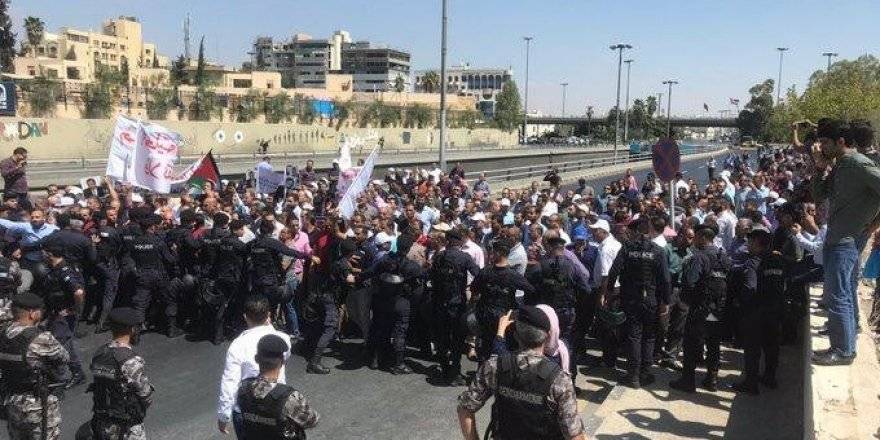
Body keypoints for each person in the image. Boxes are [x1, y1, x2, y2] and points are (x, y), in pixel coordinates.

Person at [456, 306, 586, 440]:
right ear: (547, 337)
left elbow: (465, 408)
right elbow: (575, 435)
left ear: (516, 335)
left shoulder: (495, 366)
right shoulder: (559, 379)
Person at [810, 119, 880, 365]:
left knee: (839, 294)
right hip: (836, 238)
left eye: (825, 143)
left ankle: (843, 350)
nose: (822, 147)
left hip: (846, 241)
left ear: (841, 141)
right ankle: (844, 344)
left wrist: (874, 224)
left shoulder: (860, 165)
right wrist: (819, 168)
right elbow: (819, 196)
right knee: (841, 293)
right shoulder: (840, 165)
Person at [606, 218, 671, 388]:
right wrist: (666, 301)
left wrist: (609, 292)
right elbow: (665, 279)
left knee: (634, 335)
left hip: (631, 298)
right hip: (650, 298)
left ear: (635, 232)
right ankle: (645, 373)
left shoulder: (627, 248)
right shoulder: (657, 250)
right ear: (649, 231)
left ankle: (633, 376)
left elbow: (614, 271)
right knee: (649, 336)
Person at [217, 295, 292, 438]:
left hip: (246, 409)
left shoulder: (237, 345)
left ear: (245, 317)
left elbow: (230, 382)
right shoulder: (283, 339)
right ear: (269, 315)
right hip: (275, 404)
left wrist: (223, 415)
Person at [0, 293, 70, 440]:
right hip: (37, 405)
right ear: (32, 313)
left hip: (12, 401)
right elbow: (64, 357)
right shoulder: (40, 338)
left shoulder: (4, 335)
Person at [670, 223, 731, 393]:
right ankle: (711, 379)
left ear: (703, 237)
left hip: (700, 308)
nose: (694, 240)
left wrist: (689, 299)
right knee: (713, 343)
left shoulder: (699, 257)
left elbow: (689, 282)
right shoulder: (723, 257)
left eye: (696, 236)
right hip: (717, 309)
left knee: (691, 342)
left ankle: (687, 381)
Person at [85, 307, 154, 440]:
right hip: (127, 427)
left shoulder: (99, 353)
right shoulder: (130, 360)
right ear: (132, 329)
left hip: (103, 423)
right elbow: (145, 395)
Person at [732, 227, 785, 395]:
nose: (748, 244)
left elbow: (749, 287)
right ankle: (770, 377)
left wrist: (742, 303)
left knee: (752, 349)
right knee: (771, 346)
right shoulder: (778, 260)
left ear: (756, 243)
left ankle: (751, 383)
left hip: (756, 312)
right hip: (775, 310)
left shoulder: (753, 262)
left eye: (750, 241)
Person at [235, 334, 320, 439]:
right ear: (283, 361)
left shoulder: (243, 389)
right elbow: (311, 420)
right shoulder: (288, 398)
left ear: (257, 359)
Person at [362, 234, 425, 373]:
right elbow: (423, 279)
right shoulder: (412, 266)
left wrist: (357, 277)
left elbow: (369, 272)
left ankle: (375, 360)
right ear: (408, 248)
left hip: (382, 299)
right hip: (401, 301)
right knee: (400, 332)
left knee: (380, 328)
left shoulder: (385, 260)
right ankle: (398, 364)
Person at [430, 228, 480, 385]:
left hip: (439, 302)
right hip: (457, 303)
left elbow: (431, 276)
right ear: (459, 241)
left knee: (442, 336)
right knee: (457, 338)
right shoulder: (464, 257)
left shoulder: (439, 257)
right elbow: (478, 273)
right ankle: (455, 370)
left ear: (447, 240)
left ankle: (445, 368)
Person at [471, 238, 534, 361]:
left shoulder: (486, 272)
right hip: (503, 318)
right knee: (502, 349)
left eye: (493, 252)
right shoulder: (513, 275)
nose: (491, 254)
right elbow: (531, 290)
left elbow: (474, 290)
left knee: (486, 349)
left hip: (487, 315)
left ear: (498, 253)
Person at [42, 243, 88, 389]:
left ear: (49, 254)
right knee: (64, 343)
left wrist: (75, 308)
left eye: (43, 252)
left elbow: (78, 291)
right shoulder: (56, 268)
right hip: (55, 312)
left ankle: (71, 374)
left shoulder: (63, 270)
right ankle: (72, 373)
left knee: (63, 345)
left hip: (64, 314)